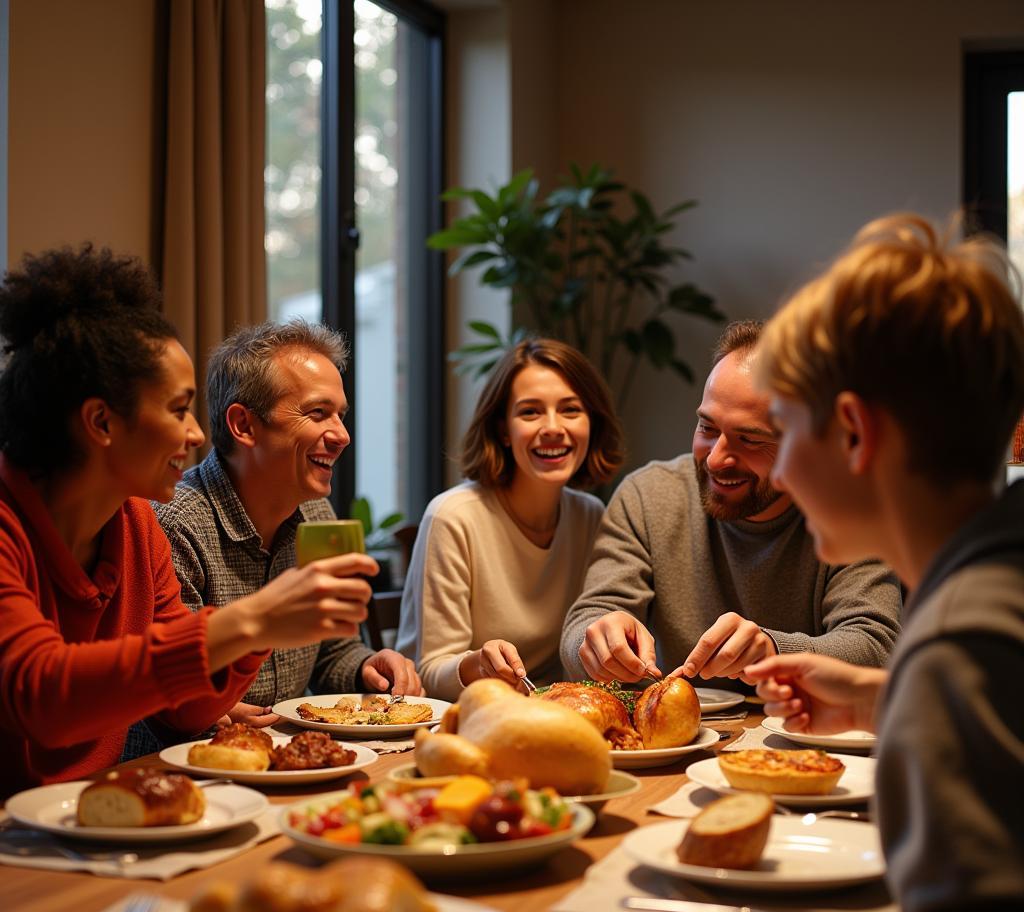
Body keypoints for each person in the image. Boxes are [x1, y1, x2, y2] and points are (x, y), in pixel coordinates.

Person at [745, 213, 1024, 912]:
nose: (782, 469)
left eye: (785, 431)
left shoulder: (960, 649)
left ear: (856, 432)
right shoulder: (989, 592)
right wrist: (880, 695)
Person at [0, 245, 376, 797]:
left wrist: (256, 632)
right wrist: (253, 621)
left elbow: (186, 709)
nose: (196, 435)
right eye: (177, 410)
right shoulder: (12, 526)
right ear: (101, 421)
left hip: (94, 809)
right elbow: (42, 697)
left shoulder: (133, 526)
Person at [560, 320, 902, 686]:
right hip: (683, 738)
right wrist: (595, 640)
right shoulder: (648, 496)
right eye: (707, 428)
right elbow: (583, 624)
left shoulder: (850, 509)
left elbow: (877, 646)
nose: (715, 459)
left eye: (749, 440)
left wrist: (773, 649)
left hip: (805, 736)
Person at [151, 319, 422, 737]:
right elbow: (166, 687)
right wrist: (214, 709)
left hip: (289, 760)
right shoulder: (174, 523)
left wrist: (367, 667)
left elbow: (333, 652)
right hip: (184, 769)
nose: (343, 436)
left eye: (341, 415)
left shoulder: (316, 514)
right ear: (244, 425)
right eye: (318, 413)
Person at [398, 338, 625, 701]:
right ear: (503, 429)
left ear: (591, 423)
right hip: (465, 719)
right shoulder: (453, 517)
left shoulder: (590, 516)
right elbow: (429, 672)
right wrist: (478, 665)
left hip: (554, 716)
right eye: (530, 412)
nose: (553, 427)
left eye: (570, 410)